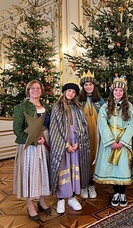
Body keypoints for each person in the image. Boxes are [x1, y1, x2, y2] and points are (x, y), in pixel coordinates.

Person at [93, 76, 133, 207]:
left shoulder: (128, 106)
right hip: (110, 142)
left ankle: (122, 193)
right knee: (112, 168)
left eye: (121, 91)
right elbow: (102, 124)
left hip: (123, 142)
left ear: (124, 93)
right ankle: (115, 193)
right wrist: (111, 141)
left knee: (122, 167)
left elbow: (131, 124)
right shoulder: (105, 107)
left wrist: (123, 141)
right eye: (116, 90)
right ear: (112, 91)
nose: (118, 93)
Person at [13, 80, 51, 221]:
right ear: (28, 91)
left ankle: (41, 201)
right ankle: (30, 205)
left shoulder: (47, 106)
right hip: (29, 147)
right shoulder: (20, 108)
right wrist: (34, 140)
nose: (35, 90)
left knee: (43, 174)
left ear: (41, 90)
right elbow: (17, 130)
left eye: (38, 88)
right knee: (29, 176)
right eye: (32, 88)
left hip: (45, 145)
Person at [49, 83, 90, 214]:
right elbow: (54, 128)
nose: (71, 94)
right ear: (64, 92)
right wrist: (65, 145)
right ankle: (61, 199)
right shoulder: (57, 107)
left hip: (76, 144)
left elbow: (84, 126)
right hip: (62, 144)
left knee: (74, 169)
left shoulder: (78, 108)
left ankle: (72, 197)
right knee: (63, 170)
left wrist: (78, 142)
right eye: (69, 91)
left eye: (73, 92)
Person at [79, 70, 105, 199]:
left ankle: (91, 185)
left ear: (94, 86)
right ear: (82, 87)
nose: (88, 87)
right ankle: (83, 186)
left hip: (96, 135)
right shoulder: (79, 101)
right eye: (86, 85)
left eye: (90, 84)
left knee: (94, 158)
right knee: (83, 159)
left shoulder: (99, 101)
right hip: (82, 136)